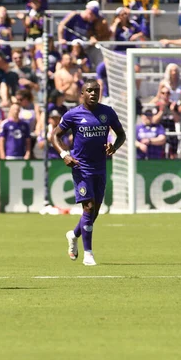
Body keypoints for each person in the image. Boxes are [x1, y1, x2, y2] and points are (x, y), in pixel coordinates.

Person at [51, 79, 126, 266]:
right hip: (80, 166)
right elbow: (54, 135)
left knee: (94, 212)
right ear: (82, 94)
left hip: (100, 167)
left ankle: (74, 234)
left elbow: (121, 134)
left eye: (96, 90)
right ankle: (89, 254)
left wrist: (114, 147)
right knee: (89, 208)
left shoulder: (107, 112)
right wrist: (63, 154)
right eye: (89, 90)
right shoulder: (73, 114)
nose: (93, 93)